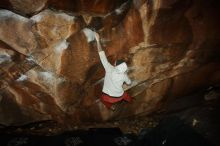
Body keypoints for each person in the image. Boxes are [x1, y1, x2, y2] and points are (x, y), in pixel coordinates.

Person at [94, 32, 132, 110]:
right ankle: (130, 101)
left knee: (102, 99)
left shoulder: (109, 69)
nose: (114, 62)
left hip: (108, 97)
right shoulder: (124, 75)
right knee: (126, 95)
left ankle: (111, 106)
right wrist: (125, 76)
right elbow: (129, 83)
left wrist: (98, 41)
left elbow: (102, 55)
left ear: (115, 66)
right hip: (119, 96)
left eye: (115, 63)